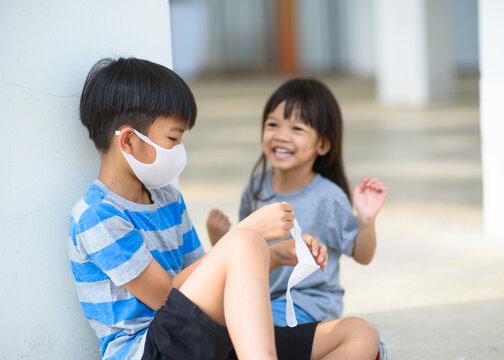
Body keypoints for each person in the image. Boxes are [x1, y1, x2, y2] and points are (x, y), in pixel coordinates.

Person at [69, 58, 382, 360]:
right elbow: (163, 296)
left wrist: (273, 256)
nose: (179, 149)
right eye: (173, 138)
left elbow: (208, 281)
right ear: (128, 141)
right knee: (244, 241)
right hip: (149, 348)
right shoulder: (98, 216)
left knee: (359, 333)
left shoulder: (167, 198)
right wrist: (247, 235)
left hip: (203, 337)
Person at [207, 78, 387, 327]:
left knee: (256, 332)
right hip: (261, 298)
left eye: (297, 129)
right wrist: (221, 238)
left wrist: (366, 220)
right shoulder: (256, 188)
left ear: (322, 144)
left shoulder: (329, 196)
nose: (281, 136)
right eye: (273, 125)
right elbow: (247, 253)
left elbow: (362, 255)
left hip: (310, 302)